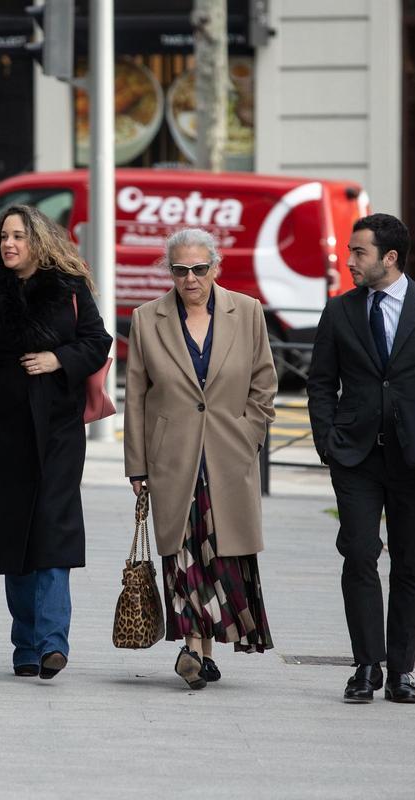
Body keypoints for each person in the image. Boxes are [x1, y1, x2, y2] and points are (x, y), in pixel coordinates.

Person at [307, 213, 415, 704]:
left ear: (390, 257)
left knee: (410, 564)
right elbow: (320, 382)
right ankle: (366, 666)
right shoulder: (339, 311)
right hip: (354, 457)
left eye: (359, 252)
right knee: (358, 554)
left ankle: (401, 670)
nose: (349, 260)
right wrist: (326, 442)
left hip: (414, 458)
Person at [0, 205, 112, 680]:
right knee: (11, 533)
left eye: (19, 235)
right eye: (3, 235)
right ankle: (25, 645)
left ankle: (52, 643)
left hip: (58, 427)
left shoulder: (68, 285)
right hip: (4, 424)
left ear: (39, 241)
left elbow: (97, 341)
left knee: (52, 528)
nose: (9, 243)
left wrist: (58, 359)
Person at [124, 227, 277, 690]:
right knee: (186, 553)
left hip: (228, 458)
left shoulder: (247, 312)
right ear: (169, 272)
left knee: (220, 557)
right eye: (179, 269)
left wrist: (249, 434)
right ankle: (193, 649)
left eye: (199, 268)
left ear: (216, 266)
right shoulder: (146, 318)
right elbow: (136, 396)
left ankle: (203, 652)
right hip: (172, 458)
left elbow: (265, 383)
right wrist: (137, 465)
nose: (190, 278)